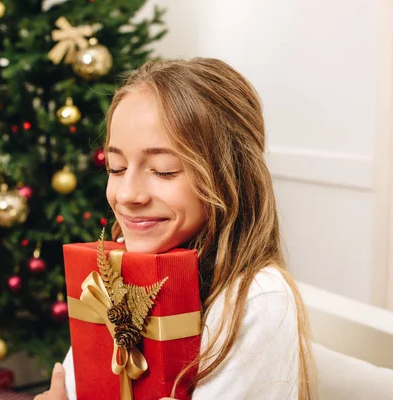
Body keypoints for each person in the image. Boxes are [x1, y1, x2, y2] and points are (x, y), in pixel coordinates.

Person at [35, 58, 316, 400]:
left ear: (231, 178)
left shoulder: (256, 300)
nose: (127, 195)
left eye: (164, 170)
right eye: (116, 167)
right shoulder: (121, 266)